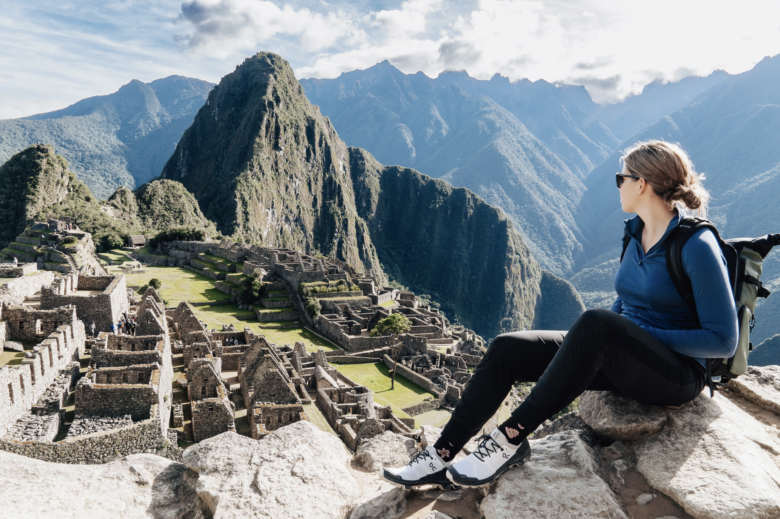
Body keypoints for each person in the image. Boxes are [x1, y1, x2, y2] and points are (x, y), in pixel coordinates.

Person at [383, 140, 739, 489]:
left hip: (677, 375)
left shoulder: (697, 245)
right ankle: (440, 455)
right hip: (629, 358)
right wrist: (596, 342)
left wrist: (633, 333)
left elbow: (723, 340)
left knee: (596, 322)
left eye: (622, 178)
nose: (618, 186)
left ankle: (509, 439)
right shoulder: (635, 234)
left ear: (642, 184)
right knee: (508, 348)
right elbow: (625, 303)